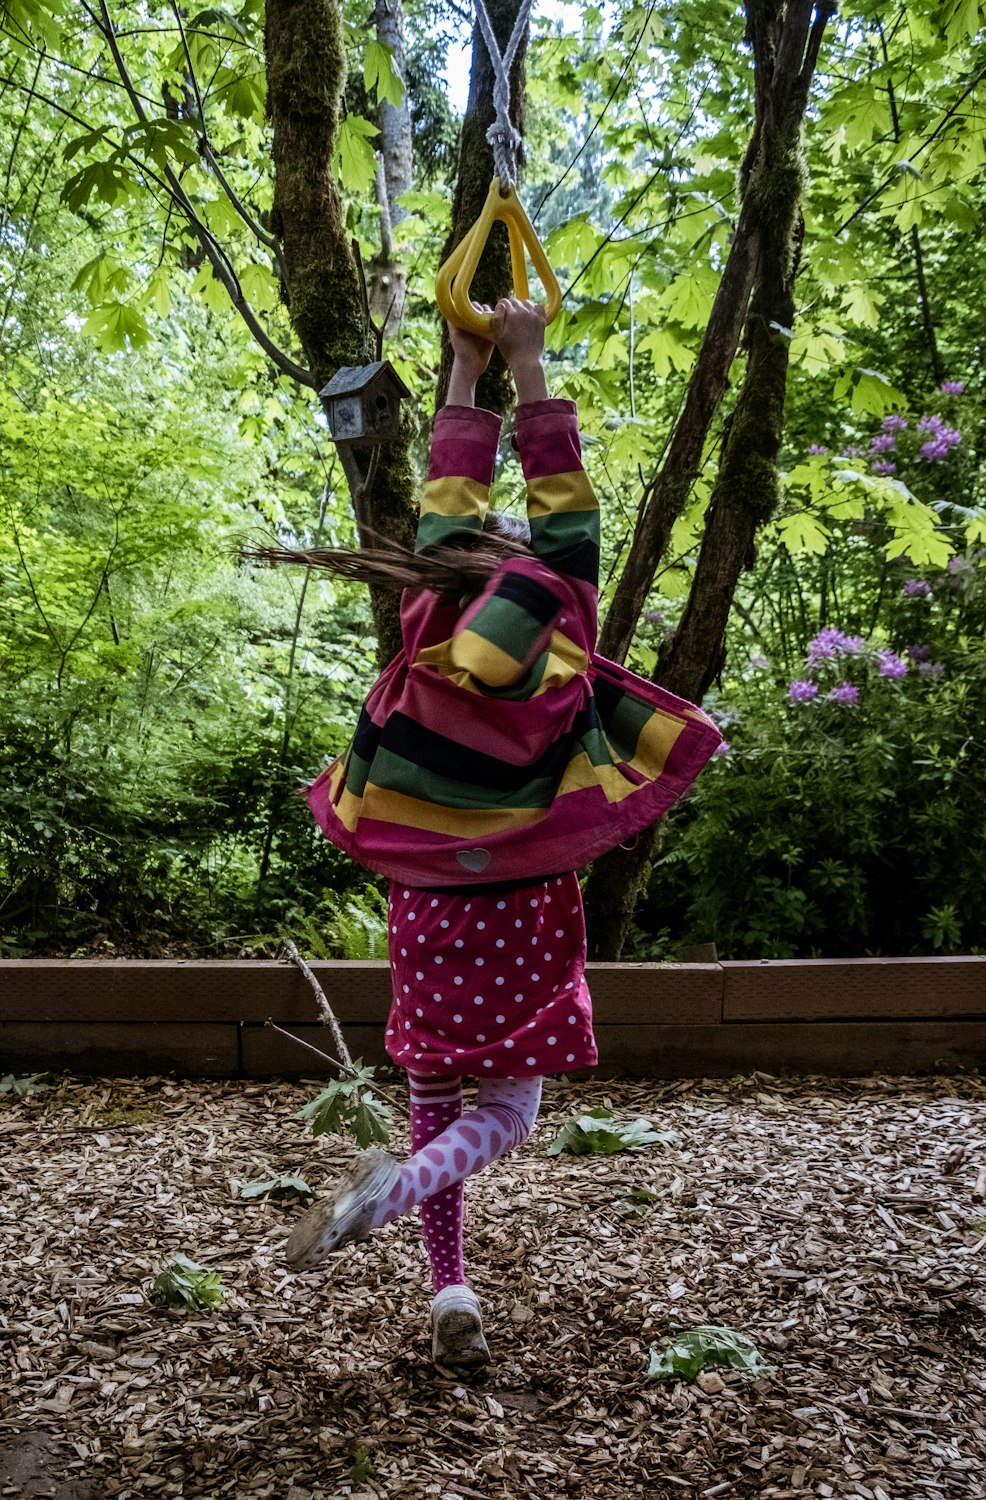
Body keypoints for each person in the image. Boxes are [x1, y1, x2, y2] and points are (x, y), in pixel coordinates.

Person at [270, 299, 721, 1372]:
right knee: (508, 1111)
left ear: (453, 581)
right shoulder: (560, 632)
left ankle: (448, 1286)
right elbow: (565, 505)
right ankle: (403, 1195)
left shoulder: (424, 640)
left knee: (434, 1093)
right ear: (524, 577)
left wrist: (473, 371)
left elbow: (446, 505)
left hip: (427, 908)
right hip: (522, 910)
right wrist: (532, 366)